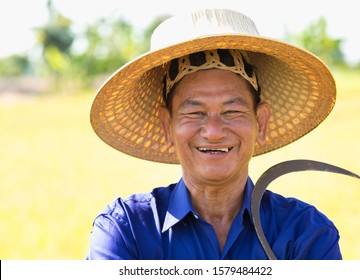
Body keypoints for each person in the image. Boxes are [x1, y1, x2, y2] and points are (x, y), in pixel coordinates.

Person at [87, 8, 341, 260]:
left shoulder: (306, 233)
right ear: (167, 126)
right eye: (195, 113)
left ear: (261, 123)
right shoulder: (126, 231)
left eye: (231, 111)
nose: (213, 132)